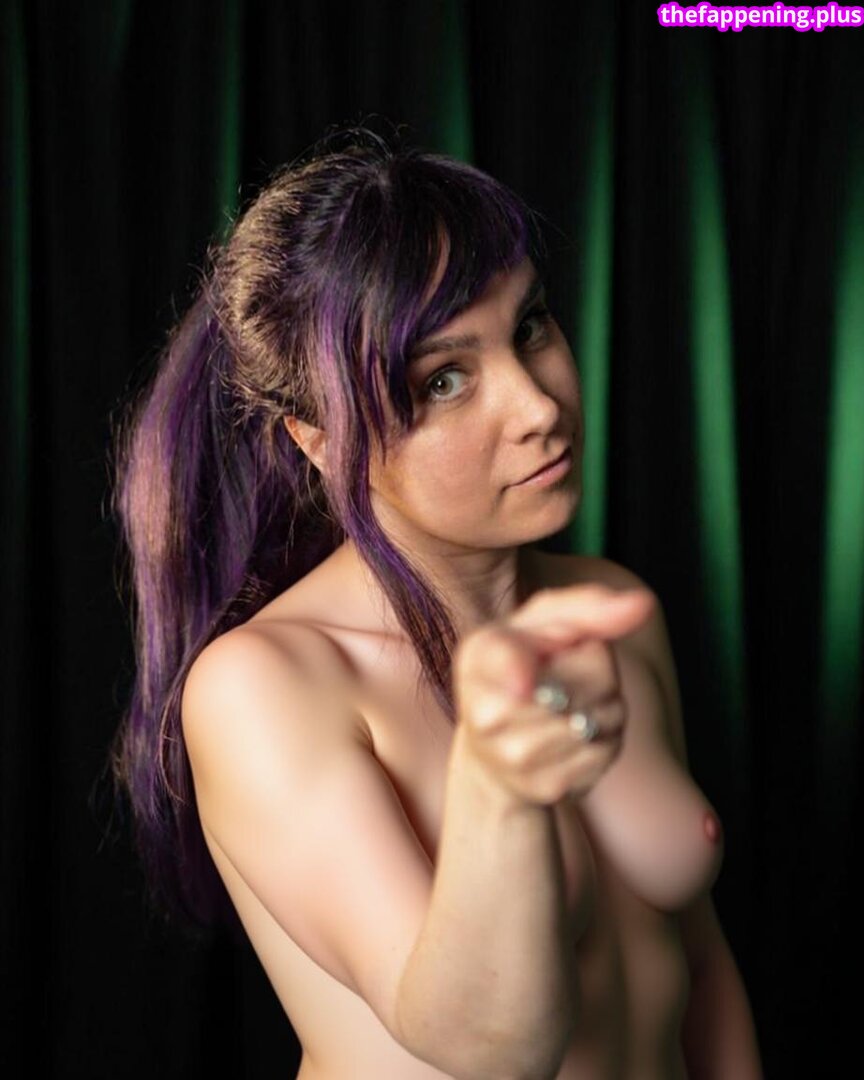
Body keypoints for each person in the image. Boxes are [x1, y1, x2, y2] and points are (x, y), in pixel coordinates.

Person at [110, 124, 763, 1078]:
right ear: (318, 441)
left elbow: (696, 966)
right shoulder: (266, 685)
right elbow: (483, 1044)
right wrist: (497, 784)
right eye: (444, 380)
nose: (538, 406)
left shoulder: (612, 608)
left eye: (530, 326)